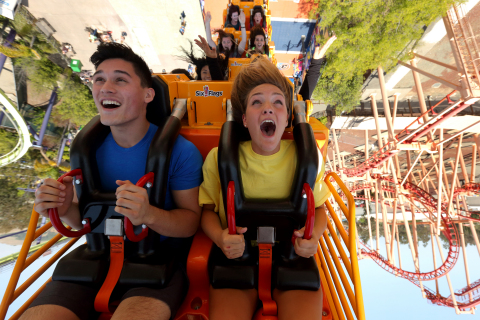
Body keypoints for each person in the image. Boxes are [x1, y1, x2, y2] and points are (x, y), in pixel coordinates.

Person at [24, 43, 204, 320]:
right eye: (99, 80)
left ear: (148, 94)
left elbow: (191, 222)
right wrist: (61, 208)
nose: (105, 87)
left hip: (159, 258)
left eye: (120, 79)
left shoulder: (179, 151)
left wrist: (149, 214)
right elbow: (83, 221)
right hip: (98, 253)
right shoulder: (87, 149)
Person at [199, 56, 330, 319]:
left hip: (292, 256)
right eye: (257, 102)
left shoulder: (309, 156)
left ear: (287, 118)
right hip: (236, 256)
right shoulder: (220, 157)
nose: (268, 108)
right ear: (245, 120)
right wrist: (220, 238)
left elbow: (320, 208)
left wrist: (313, 237)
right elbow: (208, 213)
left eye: (278, 102)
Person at [298, 32, 337, 101]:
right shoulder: (298, 107)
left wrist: (316, 63)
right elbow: (305, 95)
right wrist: (316, 63)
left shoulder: (294, 108)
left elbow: (304, 96)